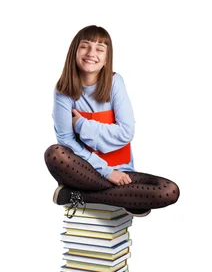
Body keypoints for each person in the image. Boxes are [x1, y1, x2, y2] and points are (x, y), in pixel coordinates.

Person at [44, 25, 180, 217]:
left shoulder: (116, 83)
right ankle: (125, 196)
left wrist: (81, 124)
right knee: (55, 153)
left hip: (123, 173)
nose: (91, 53)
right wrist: (107, 172)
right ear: (74, 51)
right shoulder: (63, 91)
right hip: (84, 173)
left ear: (106, 59)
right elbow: (66, 142)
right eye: (85, 46)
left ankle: (76, 196)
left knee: (169, 190)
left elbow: (126, 132)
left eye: (100, 49)